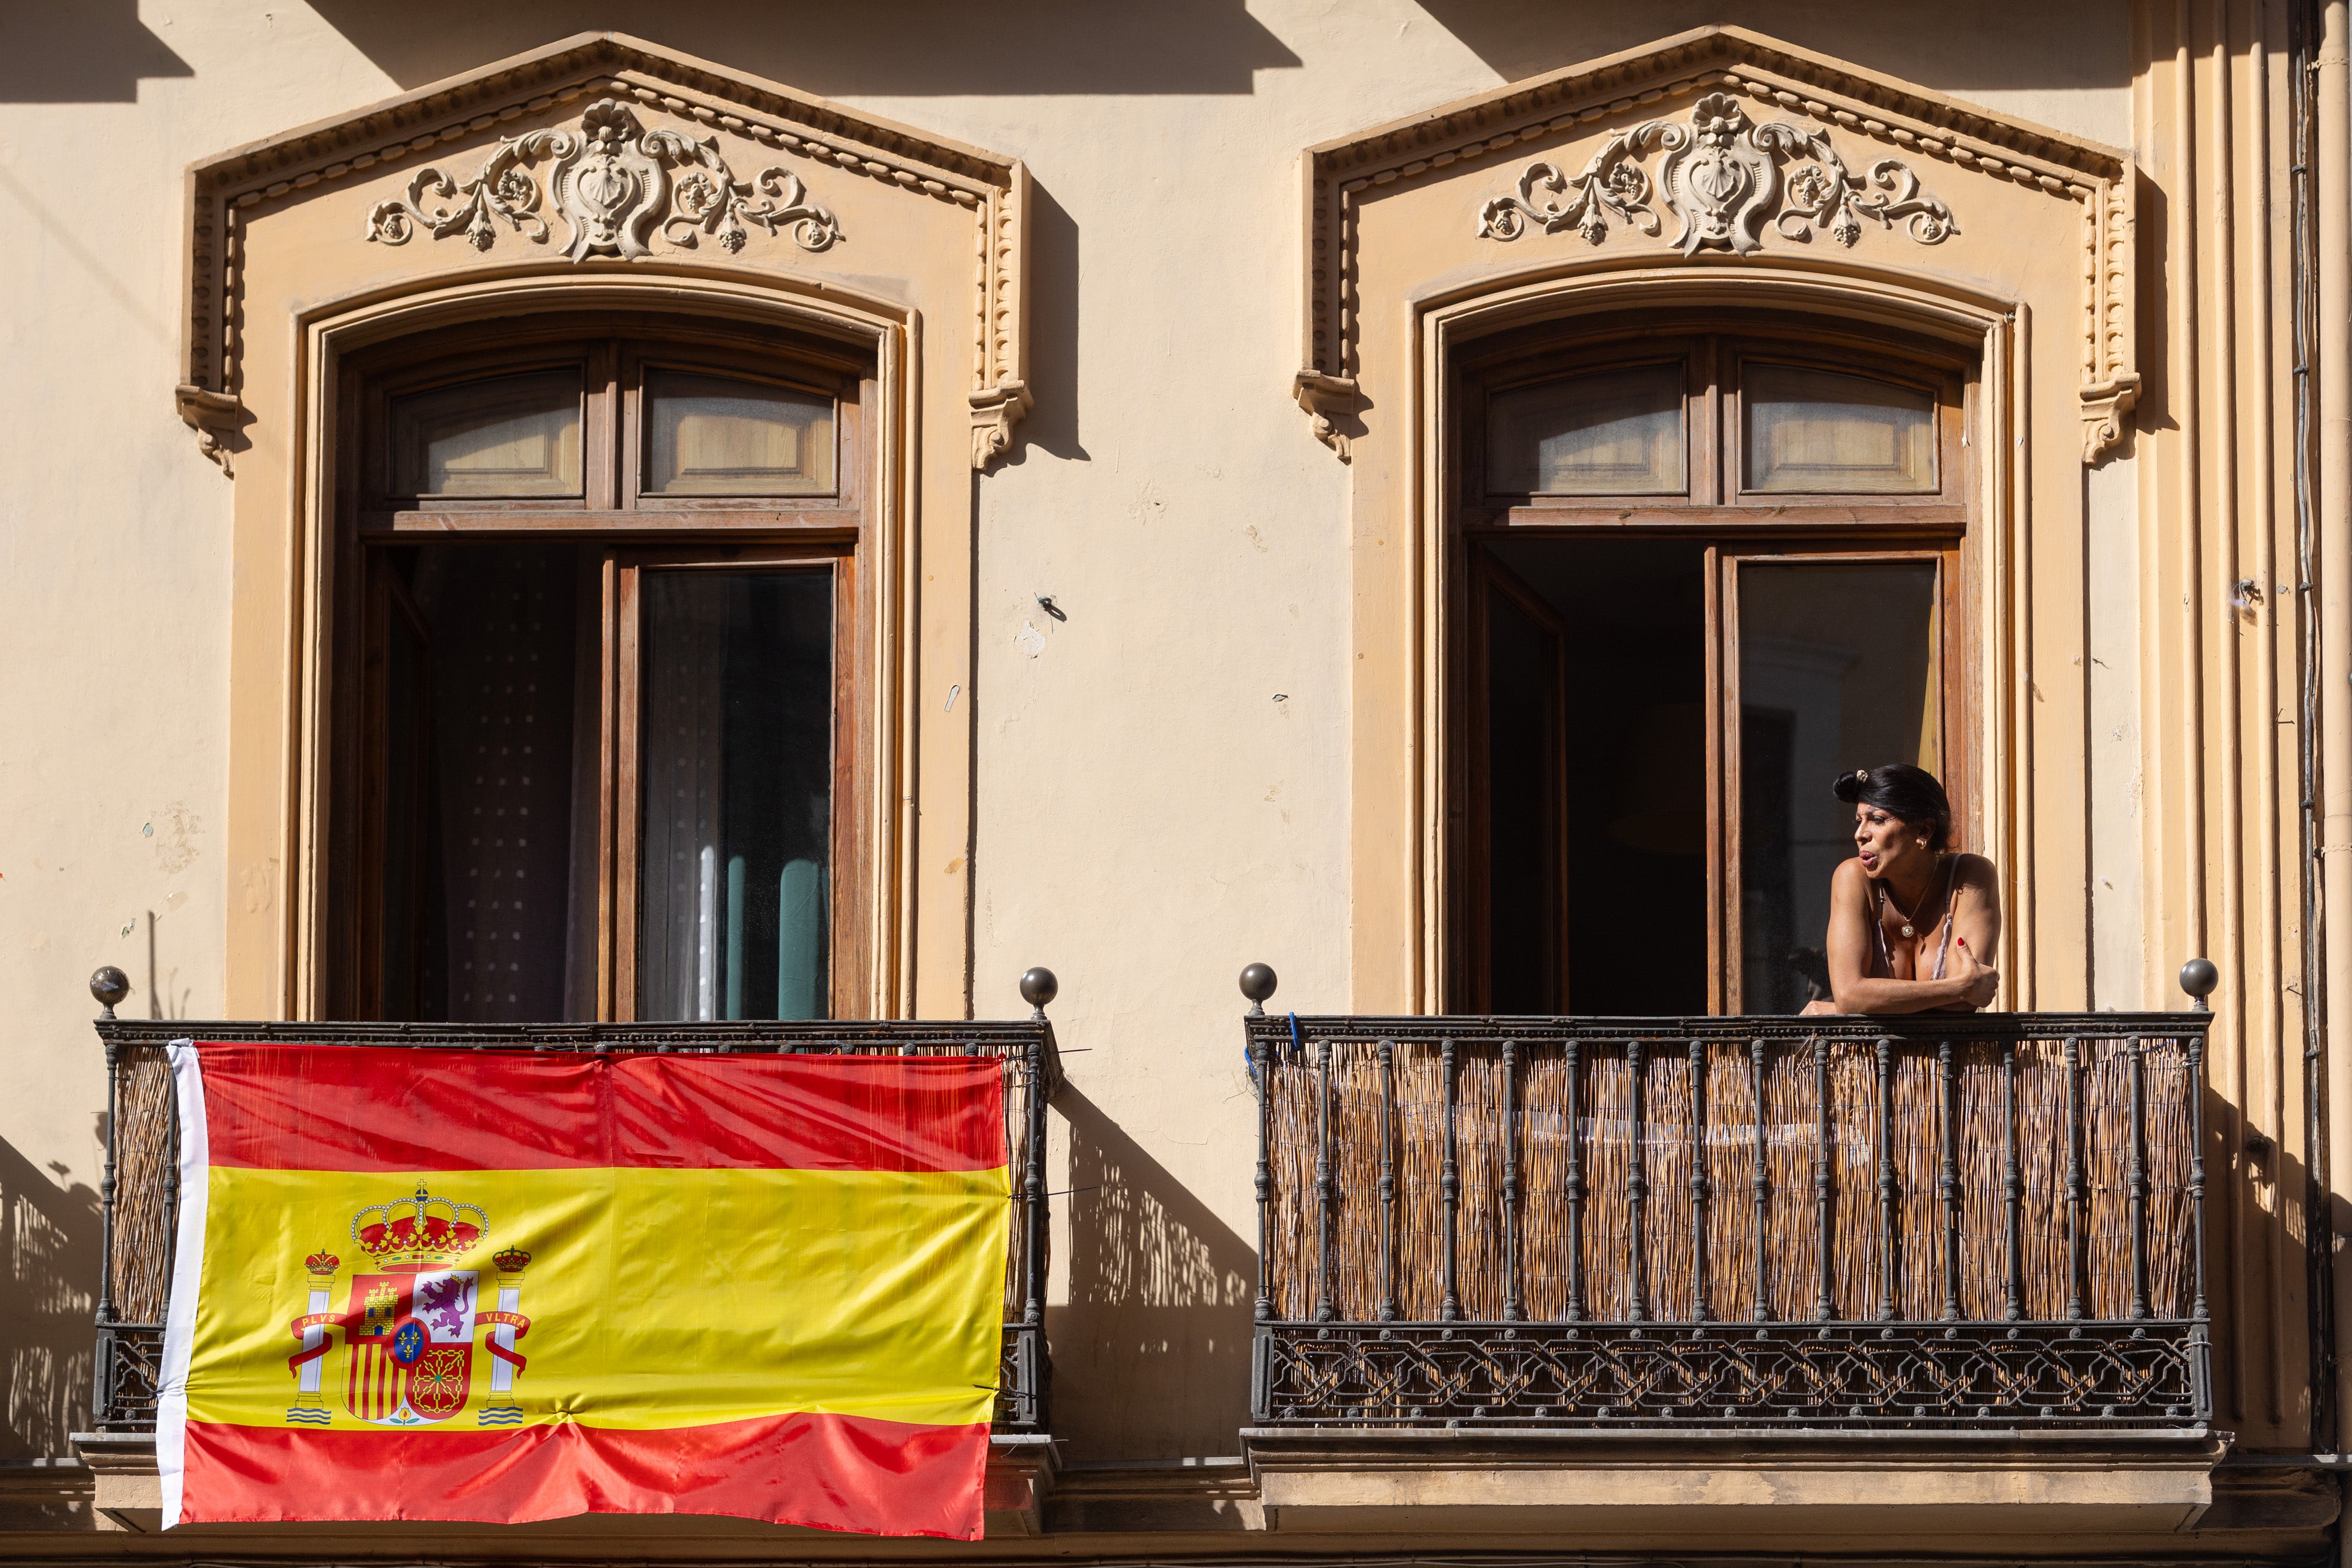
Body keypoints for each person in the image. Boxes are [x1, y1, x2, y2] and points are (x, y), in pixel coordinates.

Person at [1800, 763, 2001, 1015]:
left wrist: (1856, 1005)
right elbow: (1850, 996)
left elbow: (1963, 1004)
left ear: (1924, 830)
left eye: (1877, 820)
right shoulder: (1853, 878)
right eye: (1859, 821)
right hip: (1867, 1044)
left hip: (1948, 1043)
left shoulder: (1971, 876)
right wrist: (1958, 987)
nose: (1860, 834)